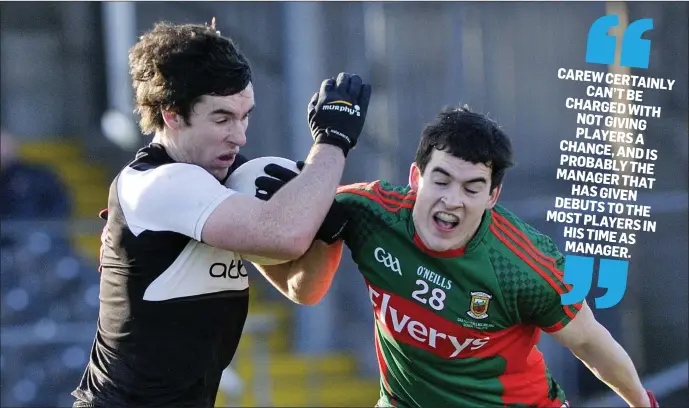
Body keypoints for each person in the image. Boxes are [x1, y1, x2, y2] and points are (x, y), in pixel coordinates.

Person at [257, 106, 660, 407]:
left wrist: (644, 403)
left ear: (492, 196)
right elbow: (303, 289)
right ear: (416, 176)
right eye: (441, 179)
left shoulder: (524, 264)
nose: (452, 200)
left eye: (472, 188)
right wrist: (262, 233)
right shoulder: (366, 212)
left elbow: (589, 342)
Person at [71, 20, 372, 408]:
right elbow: (285, 235)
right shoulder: (160, 184)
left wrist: (325, 230)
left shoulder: (227, 180)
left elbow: (303, 288)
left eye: (244, 115)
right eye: (222, 118)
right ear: (172, 114)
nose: (240, 134)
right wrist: (333, 142)